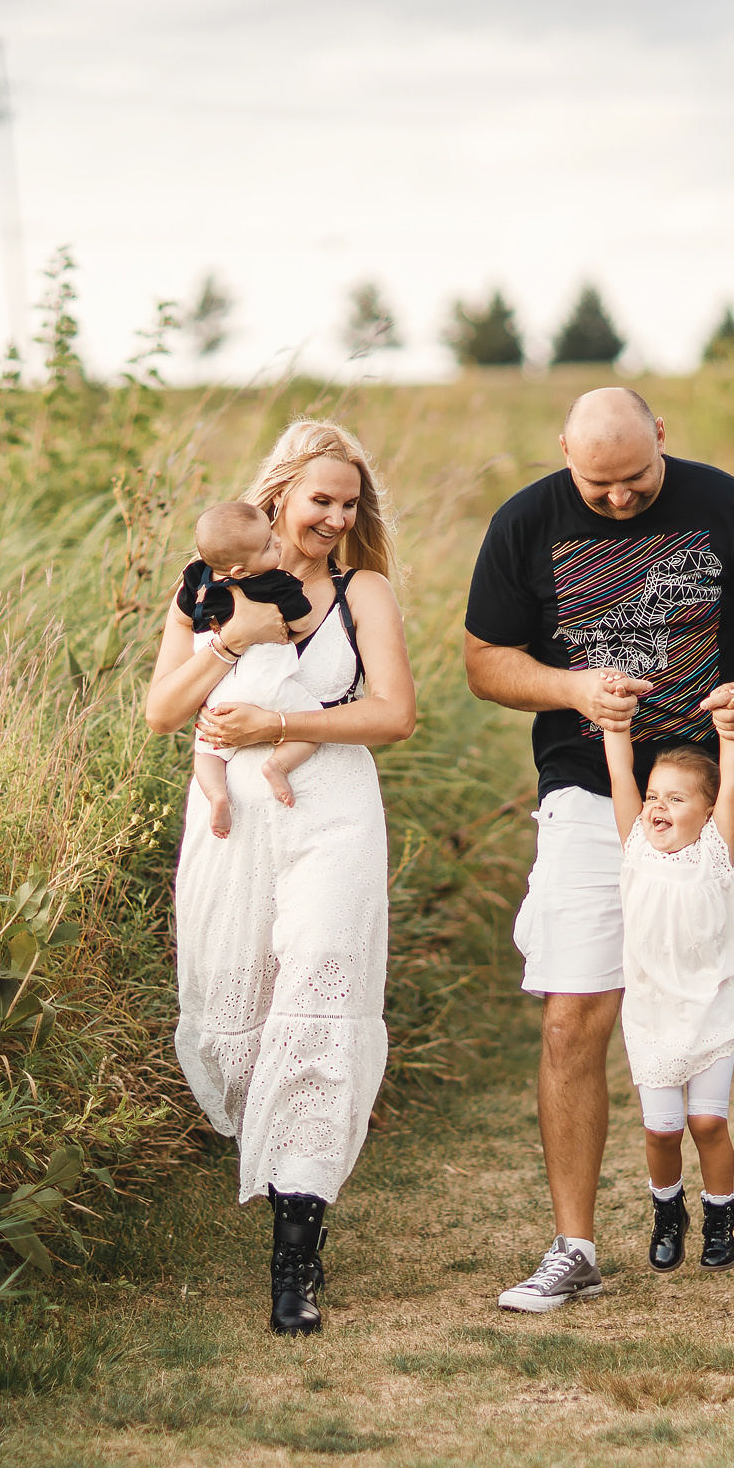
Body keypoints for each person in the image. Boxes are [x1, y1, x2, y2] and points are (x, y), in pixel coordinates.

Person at [463, 386, 734, 1310]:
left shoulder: (728, 507)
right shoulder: (524, 525)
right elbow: (484, 660)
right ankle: (575, 1248)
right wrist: (572, 688)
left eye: (636, 478)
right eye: (600, 484)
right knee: (571, 1012)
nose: (621, 498)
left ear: (662, 439)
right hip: (592, 797)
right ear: (565, 454)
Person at [144, 420, 416, 1336]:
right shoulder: (207, 586)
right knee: (242, 1012)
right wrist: (233, 641)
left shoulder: (361, 591)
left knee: (317, 993)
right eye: (321, 500)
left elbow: (395, 712)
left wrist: (279, 731)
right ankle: (274, 1180)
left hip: (331, 811)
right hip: (233, 822)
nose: (336, 517)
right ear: (280, 497)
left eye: (350, 504)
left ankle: (295, 1260)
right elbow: (160, 710)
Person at [598, 722, 734, 1287]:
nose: (656, 808)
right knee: (662, 1131)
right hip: (651, 1018)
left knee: (707, 1122)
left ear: (707, 810)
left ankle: (722, 1220)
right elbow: (620, 773)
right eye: (653, 798)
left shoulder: (713, 856)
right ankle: (667, 1213)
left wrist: (732, 732)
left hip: (710, 1013)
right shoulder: (634, 852)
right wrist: (614, 727)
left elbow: (733, 781)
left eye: (675, 799)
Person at [178, 499, 319, 839]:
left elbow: (185, 612)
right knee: (314, 719)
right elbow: (303, 621)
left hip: (217, 689)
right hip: (264, 683)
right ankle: (278, 765)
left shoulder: (198, 579)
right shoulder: (275, 582)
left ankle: (216, 793)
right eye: (269, 545)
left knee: (207, 750)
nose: (279, 543)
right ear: (240, 571)